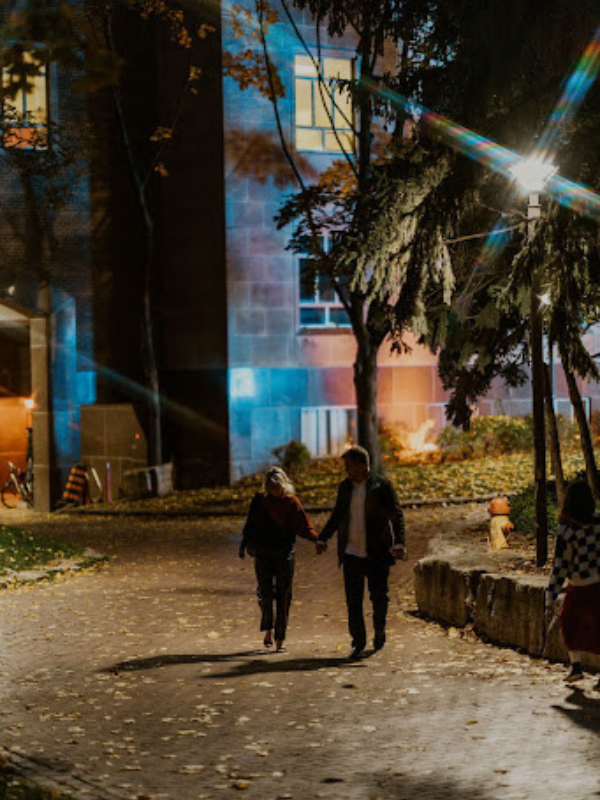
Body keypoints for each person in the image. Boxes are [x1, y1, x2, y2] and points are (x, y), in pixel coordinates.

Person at [316, 445, 407, 659]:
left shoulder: (382, 486)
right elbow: (337, 515)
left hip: (377, 552)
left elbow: (396, 515)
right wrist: (323, 537)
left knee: (379, 597)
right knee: (353, 600)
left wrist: (399, 543)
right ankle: (358, 641)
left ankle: (379, 631)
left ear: (362, 465)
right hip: (351, 552)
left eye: (349, 466)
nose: (346, 470)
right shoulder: (345, 488)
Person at [239, 466, 318, 652]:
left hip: (285, 553)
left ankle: (280, 638)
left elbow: (304, 527)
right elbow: (250, 525)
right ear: (266, 487)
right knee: (265, 594)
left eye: (278, 487)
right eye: (271, 487)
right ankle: (268, 628)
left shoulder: (292, 503)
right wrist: (244, 545)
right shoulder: (259, 501)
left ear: (284, 486)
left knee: (283, 595)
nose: (275, 491)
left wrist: (318, 539)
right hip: (263, 553)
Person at [545, 479, 600, 683]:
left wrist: (551, 593)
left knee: (569, 625)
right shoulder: (597, 523)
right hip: (597, 584)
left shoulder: (566, 531)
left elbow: (560, 566)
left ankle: (576, 667)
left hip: (577, 586)